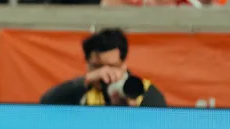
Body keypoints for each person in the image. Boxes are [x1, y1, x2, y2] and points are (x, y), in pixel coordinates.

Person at [39, 28, 168, 106]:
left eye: (112, 66)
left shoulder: (142, 91)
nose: (105, 73)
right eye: (97, 67)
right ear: (87, 64)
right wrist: (85, 81)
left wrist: (130, 114)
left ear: (123, 65)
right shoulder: (81, 90)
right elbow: (46, 102)